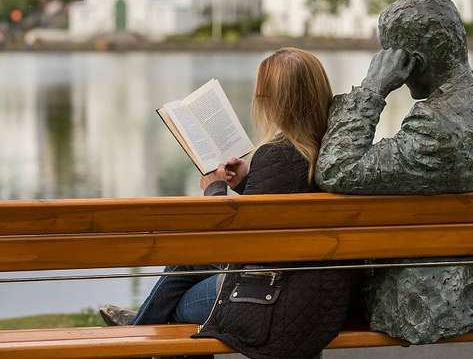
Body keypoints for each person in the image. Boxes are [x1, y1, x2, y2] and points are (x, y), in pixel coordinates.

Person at [315, 0, 473, 345]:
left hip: (430, 303)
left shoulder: (435, 127)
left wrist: (373, 89)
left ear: (410, 62)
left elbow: (337, 168)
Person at [101, 47, 352, 359]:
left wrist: (215, 189)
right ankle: (140, 326)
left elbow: (234, 246)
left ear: (274, 100)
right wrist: (247, 182)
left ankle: (139, 333)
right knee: (188, 259)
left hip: (278, 294)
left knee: (181, 299)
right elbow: (278, 216)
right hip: (325, 288)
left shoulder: (277, 153)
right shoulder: (337, 150)